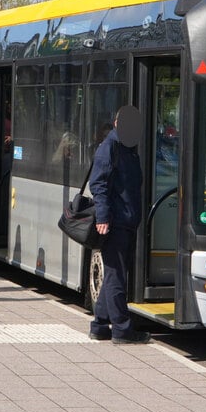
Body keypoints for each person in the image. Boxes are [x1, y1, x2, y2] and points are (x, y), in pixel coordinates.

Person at [87, 105, 149, 345]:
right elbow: (99, 184)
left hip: (126, 219)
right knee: (116, 276)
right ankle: (122, 331)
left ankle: (100, 325)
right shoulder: (109, 148)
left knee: (115, 273)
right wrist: (103, 218)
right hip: (115, 221)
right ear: (117, 123)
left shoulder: (127, 148)